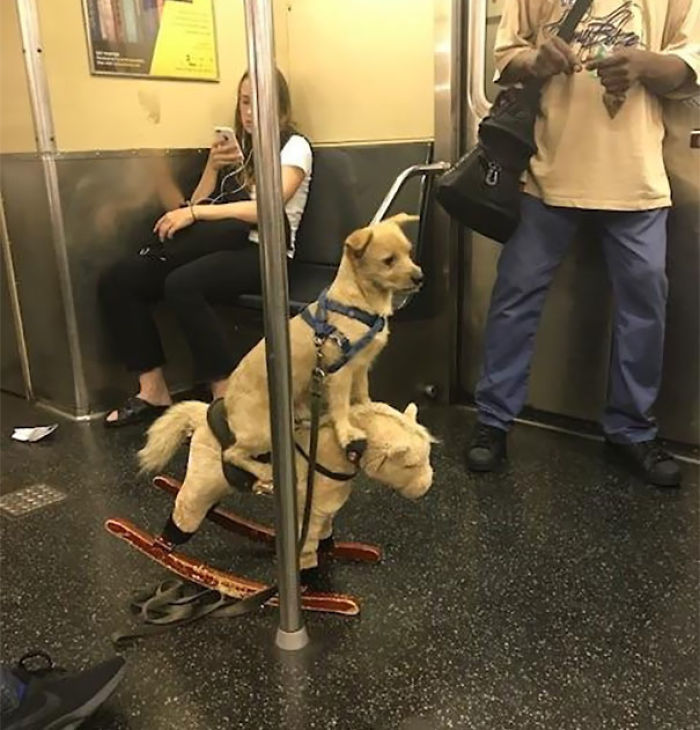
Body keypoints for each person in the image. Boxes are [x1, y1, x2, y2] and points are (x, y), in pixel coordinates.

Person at [466, 0, 699, 486]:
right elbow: (506, 57)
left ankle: (631, 428)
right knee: (515, 297)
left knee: (645, 304)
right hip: (548, 172)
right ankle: (493, 420)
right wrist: (538, 60)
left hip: (637, 176)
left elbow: (689, 61)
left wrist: (644, 65)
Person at [98, 68, 312, 427]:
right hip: (218, 243)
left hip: (262, 252)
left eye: (259, 103)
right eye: (244, 102)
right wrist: (212, 170)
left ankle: (225, 396)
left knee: (183, 283)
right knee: (119, 279)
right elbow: (195, 204)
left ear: (281, 108)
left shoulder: (294, 146)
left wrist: (197, 213)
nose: (249, 111)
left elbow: (270, 205)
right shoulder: (236, 149)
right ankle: (153, 391)